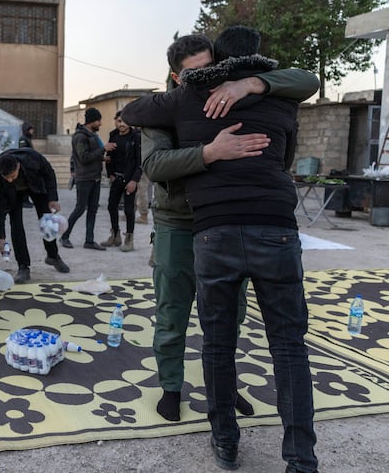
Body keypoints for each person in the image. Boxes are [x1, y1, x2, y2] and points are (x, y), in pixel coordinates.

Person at [124, 26, 319, 472]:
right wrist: (212, 152)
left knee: (225, 330)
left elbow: (305, 81)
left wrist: (248, 83)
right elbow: (154, 164)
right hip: (182, 219)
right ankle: (173, 387)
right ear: (176, 77)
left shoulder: (220, 93)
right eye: (196, 73)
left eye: (213, 67)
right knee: (175, 308)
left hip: (216, 225)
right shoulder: (169, 106)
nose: (208, 77)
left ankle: (226, 418)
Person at [0, 149, 70, 283]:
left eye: (12, 175)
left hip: (36, 185)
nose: (10, 180)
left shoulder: (32, 159)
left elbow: (49, 174)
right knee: (16, 224)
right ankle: (23, 266)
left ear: (18, 166)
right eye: (6, 177)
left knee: (47, 220)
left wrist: (52, 198)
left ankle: (53, 256)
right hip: (13, 194)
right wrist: (1, 238)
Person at [60, 107, 115, 250]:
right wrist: (104, 149)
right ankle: (64, 236)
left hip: (95, 177)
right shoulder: (80, 137)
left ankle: (89, 241)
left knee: (92, 210)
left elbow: (92, 155)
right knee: (80, 209)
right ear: (92, 121)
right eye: (98, 121)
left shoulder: (92, 135)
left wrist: (103, 158)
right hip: (84, 179)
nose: (100, 124)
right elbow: (83, 158)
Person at [101, 112, 142, 251]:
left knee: (128, 210)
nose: (122, 124)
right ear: (115, 122)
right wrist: (110, 174)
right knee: (111, 206)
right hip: (116, 178)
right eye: (119, 121)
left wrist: (134, 180)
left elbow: (140, 160)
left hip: (130, 180)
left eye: (124, 121)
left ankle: (129, 239)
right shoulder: (113, 135)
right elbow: (109, 156)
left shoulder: (136, 137)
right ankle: (115, 235)